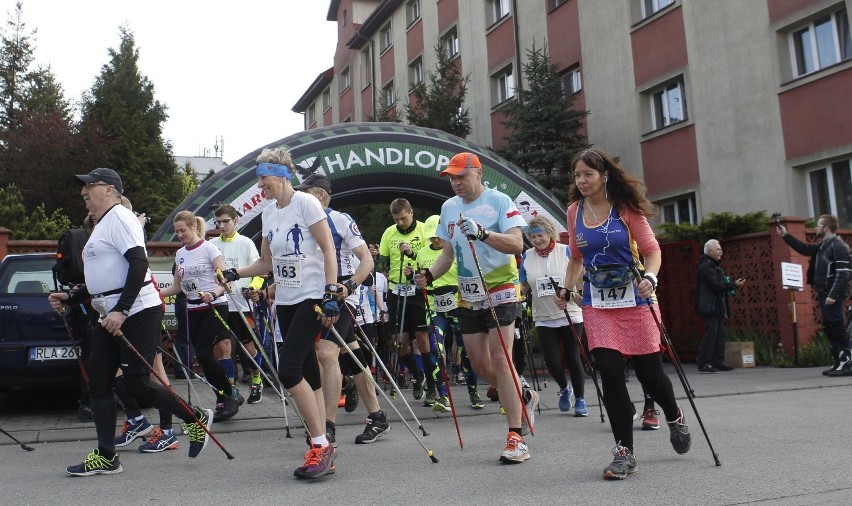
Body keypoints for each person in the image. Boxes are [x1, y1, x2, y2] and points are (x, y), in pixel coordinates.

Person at [48, 168, 212, 476]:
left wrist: (121, 310)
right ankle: (107, 455)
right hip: (109, 312)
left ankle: (193, 418)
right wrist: (71, 298)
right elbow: (106, 278)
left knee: (137, 383)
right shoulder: (101, 224)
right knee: (97, 380)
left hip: (136, 310)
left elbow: (139, 264)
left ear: (110, 190)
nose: (83, 192)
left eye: (89, 186)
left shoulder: (120, 218)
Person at [561, 148, 690, 480]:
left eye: (588, 174)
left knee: (651, 374)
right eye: (577, 175)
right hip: (598, 303)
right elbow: (576, 257)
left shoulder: (626, 209)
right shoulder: (574, 211)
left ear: (604, 176)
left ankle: (674, 415)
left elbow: (652, 251)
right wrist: (567, 287)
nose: (582, 180)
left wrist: (651, 277)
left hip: (635, 299)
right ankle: (624, 452)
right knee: (609, 370)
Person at [221, 147, 340, 479]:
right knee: (307, 372)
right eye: (258, 180)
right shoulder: (269, 213)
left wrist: (331, 292)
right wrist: (236, 273)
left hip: (312, 297)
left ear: (283, 174)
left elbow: (328, 248)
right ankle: (324, 441)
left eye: (264, 179)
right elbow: (266, 263)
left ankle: (321, 445)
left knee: (287, 370)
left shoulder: (306, 203)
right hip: (285, 301)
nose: (260, 186)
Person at [414, 152, 536, 464]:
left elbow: (516, 244)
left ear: (477, 173)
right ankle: (523, 393)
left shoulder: (499, 201)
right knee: (482, 366)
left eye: (461, 176)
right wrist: (429, 274)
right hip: (469, 293)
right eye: (451, 178)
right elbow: (448, 254)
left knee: (500, 356)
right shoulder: (448, 207)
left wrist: (483, 233)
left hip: (502, 287)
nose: (456, 183)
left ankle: (515, 436)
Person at [294, 173, 390, 445]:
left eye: (307, 192)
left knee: (325, 353)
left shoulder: (340, 219)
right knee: (351, 358)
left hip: (341, 298)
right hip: (315, 295)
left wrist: (348, 286)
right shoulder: (302, 222)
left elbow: (367, 260)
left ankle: (328, 425)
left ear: (321, 194)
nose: (301, 197)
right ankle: (377, 416)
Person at [159, 211, 245, 422]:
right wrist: (152, 293)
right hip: (193, 309)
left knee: (206, 354)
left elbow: (225, 279)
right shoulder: (180, 254)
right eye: (177, 231)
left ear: (194, 228)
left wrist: (213, 293)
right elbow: (177, 287)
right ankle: (223, 397)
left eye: (183, 230)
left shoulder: (209, 248)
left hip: (214, 306)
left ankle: (230, 393)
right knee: (202, 357)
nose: (180, 235)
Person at [519, 216, 588, 416]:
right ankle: (565, 388)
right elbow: (524, 284)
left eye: (540, 235)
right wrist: (517, 294)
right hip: (544, 315)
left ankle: (580, 400)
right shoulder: (527, 256)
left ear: (550, 233)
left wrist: (577, 295)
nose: (537, 240)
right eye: (533, 237)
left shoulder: (565, 250)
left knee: (573, 357)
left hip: (570, 312)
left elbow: (581, 276)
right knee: (552, 361)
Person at [417, 214, 483, 410]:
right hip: (434, 305)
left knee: (465, 351)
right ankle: (442, 396)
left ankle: (473, 392)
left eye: (437, 236)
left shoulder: (454, 249)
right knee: (436, 348)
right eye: (431, 237)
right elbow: (421, 280)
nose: (435, 240)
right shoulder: (421, 254)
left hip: (458, 304)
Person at [777, 216, 852, 376]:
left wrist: (833, 294)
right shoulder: (824, 245)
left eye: (818, 226)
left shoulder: (839, 246)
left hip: (833, 294)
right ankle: (838, 362)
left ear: (826, 227)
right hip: (824, 291)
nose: (816, 228)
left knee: (837, 327)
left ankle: (847, 363)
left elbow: (844, 273)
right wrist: (785, 235)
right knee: (829, 327)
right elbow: (804, 249)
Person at [375, 199, 432, 403]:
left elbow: (432, 259)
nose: (400, 222)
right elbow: (382, 261)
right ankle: (418, 376)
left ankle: (433, 388)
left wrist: (413, 258)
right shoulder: (389, 233)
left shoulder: (425, 230)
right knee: (399, 343)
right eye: (396, 219)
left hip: (417, 290)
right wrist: (380, 263)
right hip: (396, 290)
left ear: (411, 212)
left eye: (403, 218)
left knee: (423, 340)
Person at [208, 204, 267, 403]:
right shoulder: (213, 244)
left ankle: (257, 380)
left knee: (249, 347)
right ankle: (230, 391)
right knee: (223, 347)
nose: (222, 226)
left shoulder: (245, 243)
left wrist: (253, 288)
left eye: (226, 221)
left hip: (241, 304)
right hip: (221, 303)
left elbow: (260, 272)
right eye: (219, 222)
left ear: (235, 221)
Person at [695, 239, 746, 373]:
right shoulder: (705, 267)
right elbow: (715, 286)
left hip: (717, 306)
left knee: (720, 334)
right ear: (709, 251)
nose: (721, 252)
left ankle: (718, 361)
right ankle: (703, 362)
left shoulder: (715, 266)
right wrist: (733, 284)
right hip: (709, 306)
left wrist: (731, 285)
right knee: (711, 334)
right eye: (718, 249)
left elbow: (721, 285)